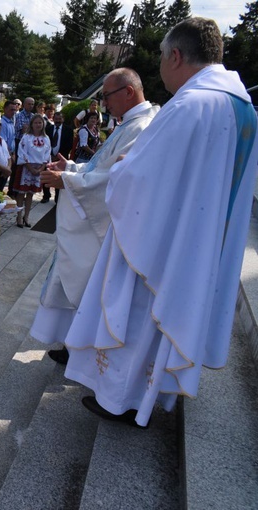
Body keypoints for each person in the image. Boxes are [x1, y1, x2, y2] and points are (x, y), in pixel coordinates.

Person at [61, 18, 258, 428]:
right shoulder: (241, 106)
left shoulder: (189, 106)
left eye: (161, 58)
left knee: (139, 316)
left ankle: (122, 400)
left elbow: (136, 179)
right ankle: (150, 396)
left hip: (164, 242)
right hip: (203, 239)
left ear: (176, 55)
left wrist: (117, 170)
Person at [35, 68, 158, 365]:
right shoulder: (128, 123)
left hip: (111, 230)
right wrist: (73, 168)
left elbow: (117, 181)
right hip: (99, 221)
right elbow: (102, 169)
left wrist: (67, 181)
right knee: (76, 283)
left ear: (128, 92)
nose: (102, 104)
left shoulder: (142, 128)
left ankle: (82, 348)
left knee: (91, 286)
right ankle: (73, 342)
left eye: (106, 96)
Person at [13, 114, 50, 228]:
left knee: (30, 194)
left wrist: (41, 168)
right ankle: (19, 216)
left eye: (40, 123)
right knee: (21, 193)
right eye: (36, 123)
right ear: (32, 124)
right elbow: (22, 152)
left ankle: (26, 216)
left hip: (38, 168)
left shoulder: (46, 138)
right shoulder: (26, 137)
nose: (38, 125)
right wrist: (29, 167)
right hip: (26, 167)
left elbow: (47, 153)